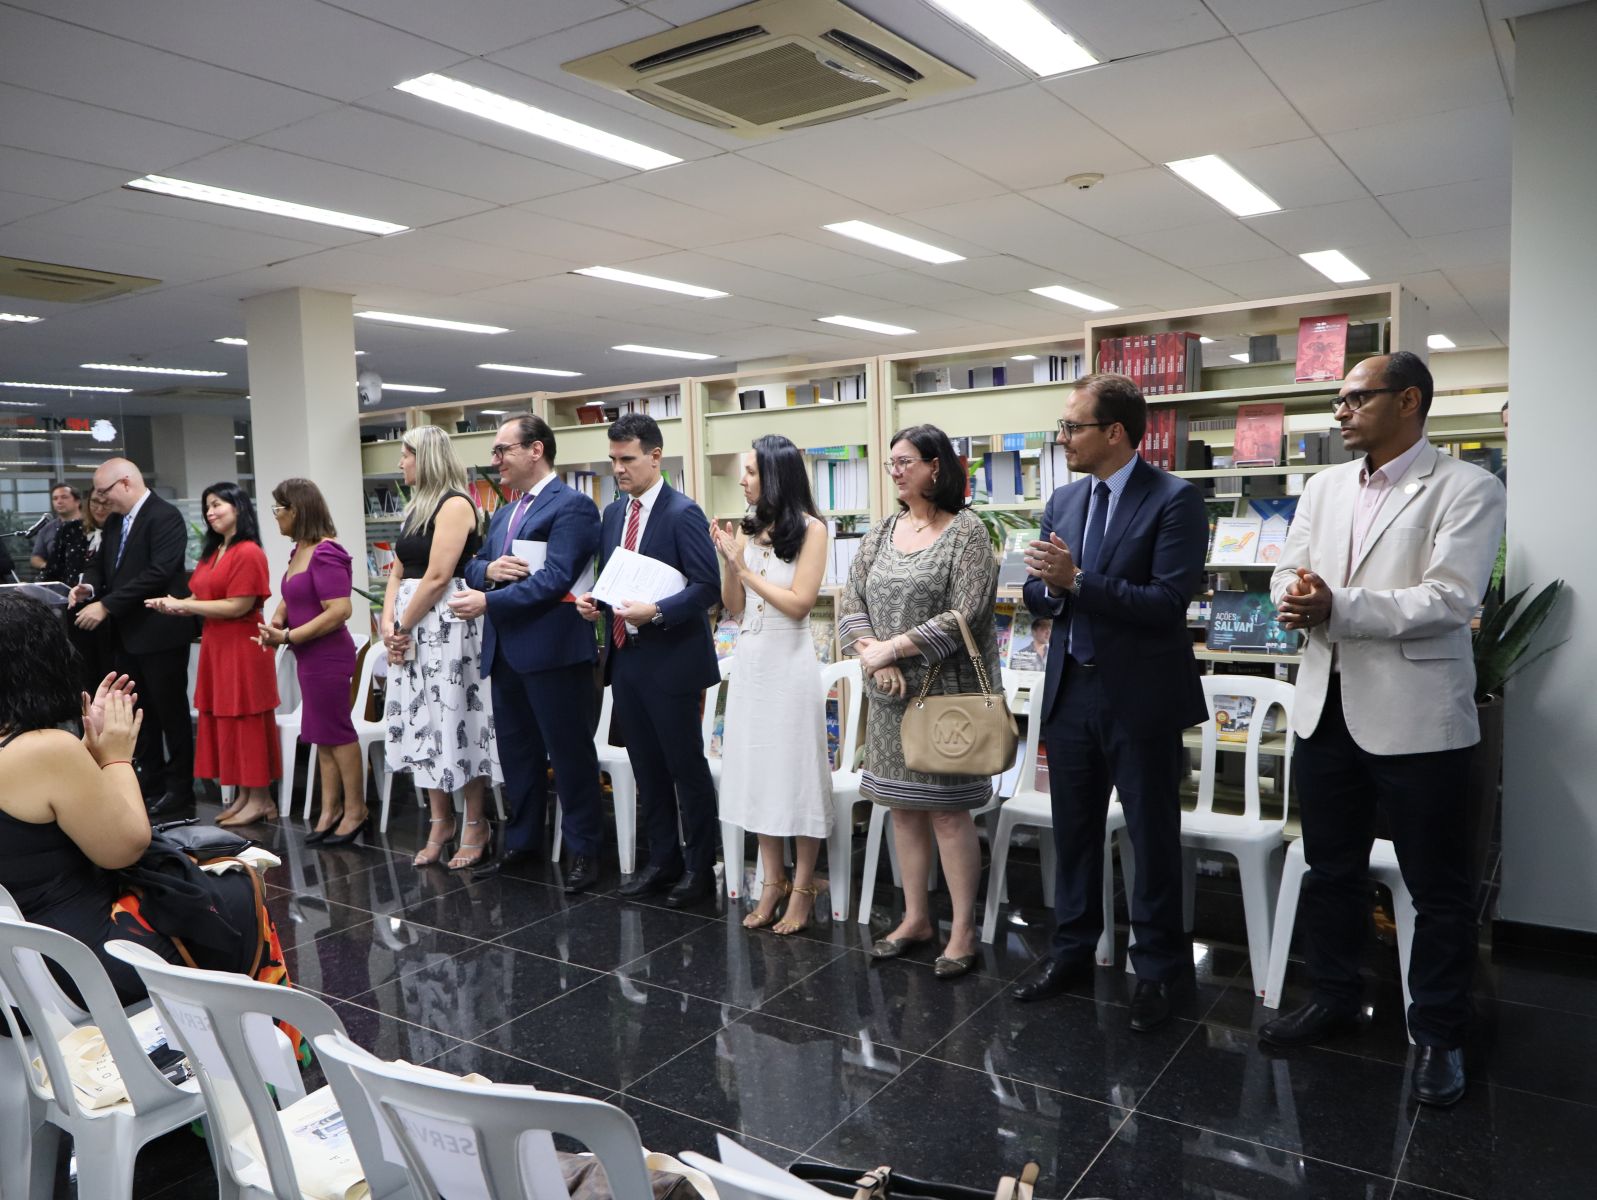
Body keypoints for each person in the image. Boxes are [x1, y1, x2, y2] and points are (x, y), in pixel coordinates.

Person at [1260, 351, 1505, 1108]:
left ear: (1408, 401)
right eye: (1337, 400)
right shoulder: (1323, 486)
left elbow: (1450, 598)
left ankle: (1438, 1032)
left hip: (1416, 716)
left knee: (1437, 886)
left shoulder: (1466, 487)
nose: (1340, 411)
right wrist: (1291, 594)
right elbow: (1286, 568)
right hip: (1325, 708)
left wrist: (1337, 606)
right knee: (1329, 869)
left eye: (1355, 398)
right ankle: (1334, 996)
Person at [1011, 373, 1209, 1033]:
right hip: (1071, 689)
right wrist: (1053, 588)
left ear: (1115, 432)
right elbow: (1037, 594)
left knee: (1151, 837)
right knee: (1072, 832)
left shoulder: (1174, 500)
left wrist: (1077, 581)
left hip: (1141, 696)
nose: (1062, 438)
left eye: (1072, 427)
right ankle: (1071, 951)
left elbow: (1166, 603)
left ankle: (1156, 970)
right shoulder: (1064, 500)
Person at [840, 423, 1001, 980]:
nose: (896, 471)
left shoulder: (967, 532)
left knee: (949, 814)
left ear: (936, 466)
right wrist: (875, 656)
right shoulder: (881, 532)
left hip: (947, 699)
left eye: (906, 461)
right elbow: (851, 602)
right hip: (889, 696)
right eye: (892, 462)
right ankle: (915, 919)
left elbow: (967, 614)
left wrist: (894, 648)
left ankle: (962, 930)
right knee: (902, 809)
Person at [576, 414, 720, 909]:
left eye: (628, 459)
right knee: (646, 766)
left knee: (685, 767)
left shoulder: (683, 513)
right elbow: (614, 580)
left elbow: (707, 587)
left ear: (655, 457)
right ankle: (662, 861)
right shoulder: (613, 514)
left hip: (672, 659)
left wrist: (657, 611)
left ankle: (700, 868)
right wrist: (595, 603)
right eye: (613, 460)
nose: (618, 469)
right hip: (627, 657)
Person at [452, 414, 600, 891]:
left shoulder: (573, 506)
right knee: (517, 756)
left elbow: (555, 579)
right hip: (506, 653)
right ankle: (523, 846)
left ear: (536, 450)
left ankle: (584, 852)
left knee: (570, 757)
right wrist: (489, 571)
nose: (496, 460)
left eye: (503, 450)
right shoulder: (502, 513)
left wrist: (488, 601)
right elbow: (472, 565)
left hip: (555, 652)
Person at [711, 435, 832, 933]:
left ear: (776, 476)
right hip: (752, 660)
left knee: (795, 773)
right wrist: (729, 563)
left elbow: (800, 603)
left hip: (789, 663)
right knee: (759, 773)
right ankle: (771, 881)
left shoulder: (812, 530)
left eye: (751, 472)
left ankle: (802, 888)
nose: (742, 480)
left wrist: (743, 568)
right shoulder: (748, 527)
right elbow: (734, 608)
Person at [382, 426, 500, 871]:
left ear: (426, 457)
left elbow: (437, 576)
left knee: (456, 719)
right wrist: (389, 624)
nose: (401, 463)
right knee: (422, 724)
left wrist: (403, 624)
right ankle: (439, 822)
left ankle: (475, 823)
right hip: (411, 626)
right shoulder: (416, 507)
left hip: (446, 627)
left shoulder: (455, 504)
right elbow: (397, 572)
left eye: (406, 454)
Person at [145, 482, 280, 827]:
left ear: (238, 507)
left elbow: (238, 606)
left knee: (246, 721)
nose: (210, 512)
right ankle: (246, 796)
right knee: (227, 721)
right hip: (217, 644)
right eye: (207, 506)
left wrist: (186, 606)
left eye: (217, 504)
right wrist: (174, 604)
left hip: (243, 645)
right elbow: (199, 596)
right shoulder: (215, 550)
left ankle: (261, 798)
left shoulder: (248, 552)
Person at [69, 458, 198, 818]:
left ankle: (180, 788)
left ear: (125, 483)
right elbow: (100, 565)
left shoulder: (164, 516)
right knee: (138, 713)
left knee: (171, 714)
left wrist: (107, 605)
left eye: (104, 491)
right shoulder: (115, 522)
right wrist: (88, 587)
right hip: (125, 636)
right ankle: (149, 780)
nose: (101, 499)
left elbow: (159, 572)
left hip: (159, 632)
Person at [256, 479, 367, 846]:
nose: (276, 516)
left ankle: (355, 810)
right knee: (321, 735)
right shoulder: (300, 550)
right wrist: (277, 621)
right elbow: (292, 594)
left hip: (328, 655)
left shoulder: (326, 552)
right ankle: (330, 810)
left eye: (279, 509)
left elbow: (339, 610)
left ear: (297, 510)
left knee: (338, 734)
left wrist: (289, 636)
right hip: (309, 656)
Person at [65, 493, 113, 693]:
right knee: (85, 673)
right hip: (77, 606)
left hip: (111, 610)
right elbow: (56, 567)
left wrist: (104, 603)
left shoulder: (117, 529)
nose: (99, 508)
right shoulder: (71, 530)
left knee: (110, 672)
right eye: (95, 502)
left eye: (106, 503)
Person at [29, 482, 81, 573]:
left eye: (64, 497)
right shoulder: (47, 529)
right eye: (55, 498)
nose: (59, 502)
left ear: (77, 501)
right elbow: (35, 558)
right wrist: (48, 566)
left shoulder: (90, 524)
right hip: (57, 578)